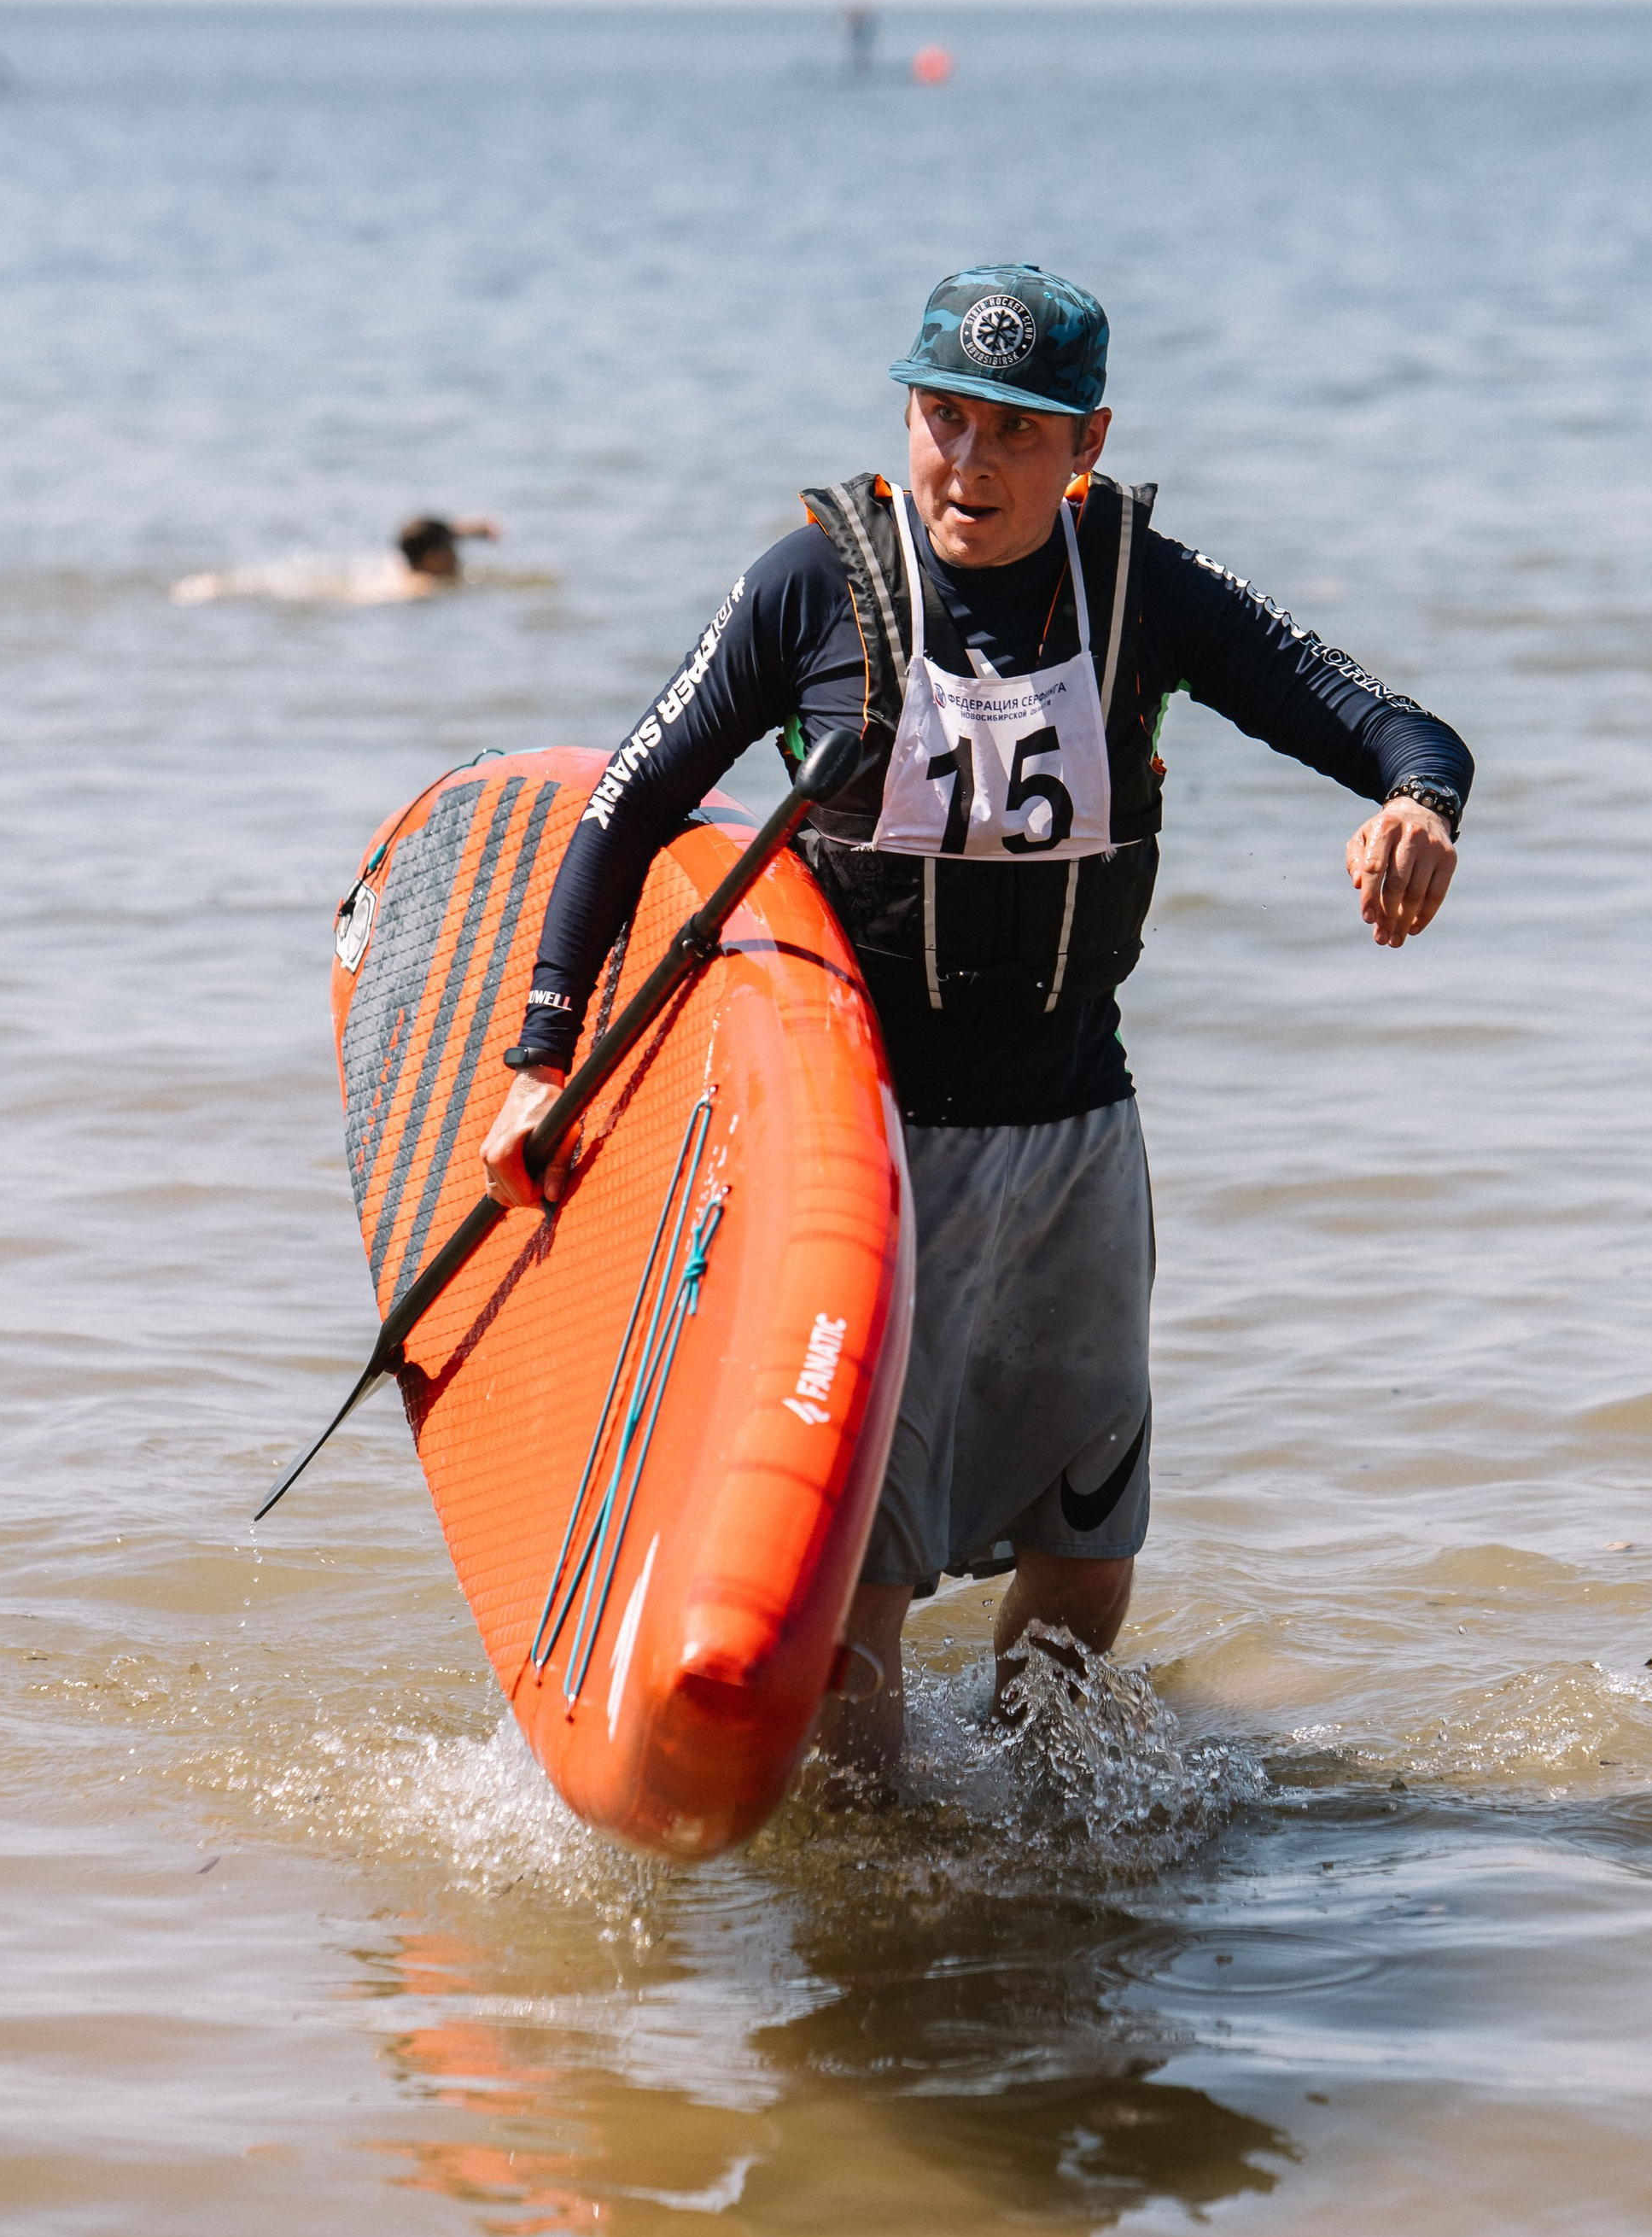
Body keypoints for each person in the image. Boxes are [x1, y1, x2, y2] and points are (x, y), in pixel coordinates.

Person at [476, 266, 1472, 1778]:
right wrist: (540, 1060)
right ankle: (887, 1907)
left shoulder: (1143, 591)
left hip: (1077, 1143)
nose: (973, 463)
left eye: (1019, 430)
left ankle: (1050, 1872)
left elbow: (1398, 726)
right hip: (858, 1164)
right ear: (906, 422)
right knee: (855, 1608)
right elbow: (623, 812)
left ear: (1087, 446)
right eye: (945, 418)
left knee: (1080, 1577)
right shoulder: (810, 585)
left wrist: (1417, 808)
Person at [394, 512, 499, 584]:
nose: (455, 556)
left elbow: (451, 533)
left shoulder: (399, 569)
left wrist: (482, 531)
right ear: (431, 559)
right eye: (450, 548)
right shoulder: (425, 586)